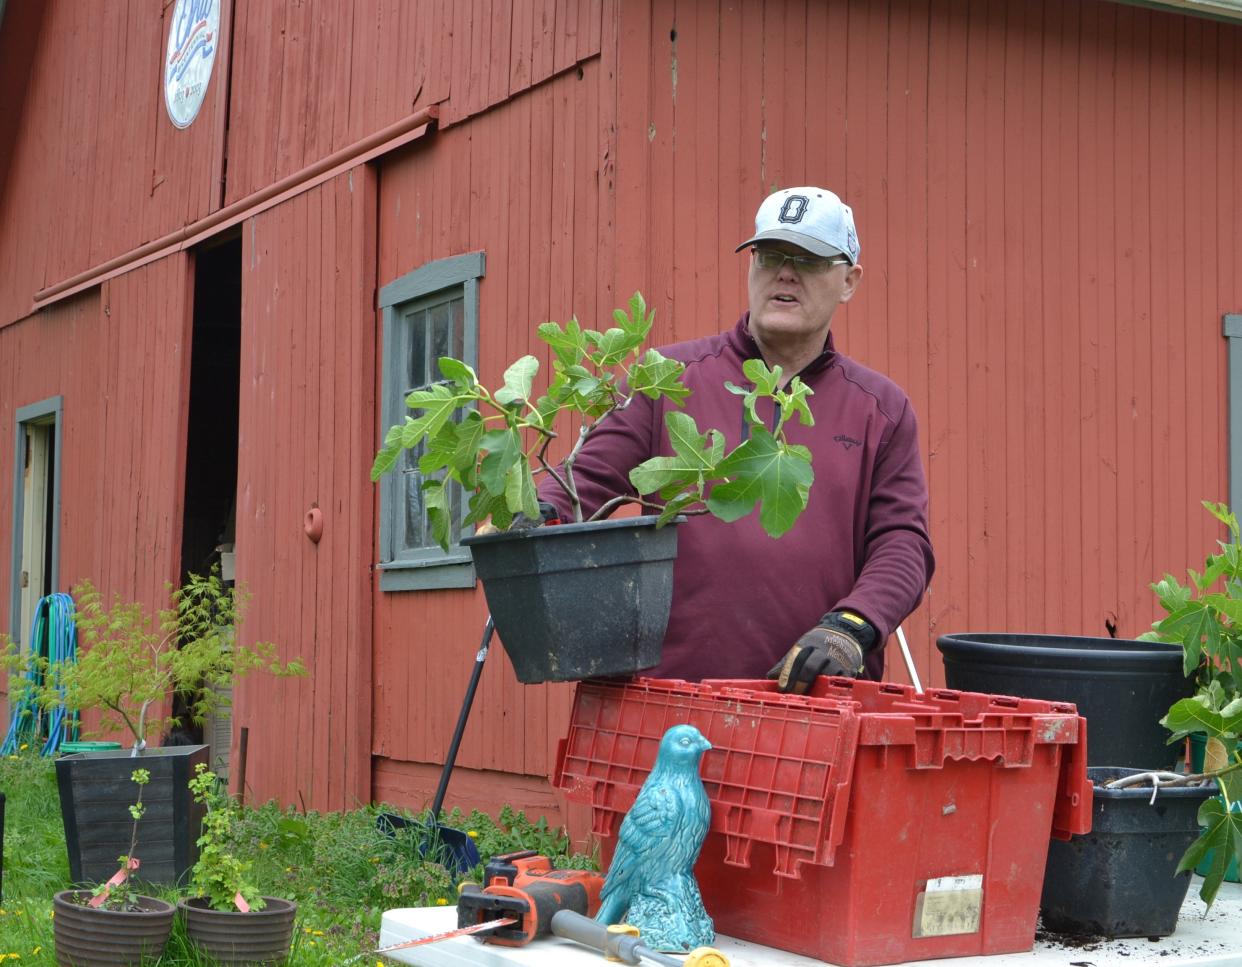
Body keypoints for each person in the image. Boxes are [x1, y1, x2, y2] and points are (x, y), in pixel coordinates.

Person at [537, 187, 934, 691]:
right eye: (770, 256)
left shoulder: (880, 409)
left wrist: (851, 627)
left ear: (849, 281)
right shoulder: (666, 380)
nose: (785, 273)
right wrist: (538, 513)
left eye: (808, 260)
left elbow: (903, 542)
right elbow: (582, 482)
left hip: (816, 702)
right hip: (666, 700)